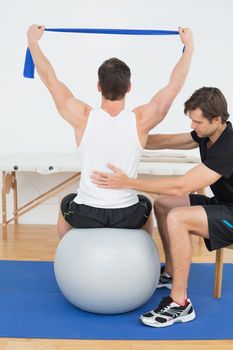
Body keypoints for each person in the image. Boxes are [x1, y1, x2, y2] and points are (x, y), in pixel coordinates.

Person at [27, 25, 193, 239]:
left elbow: (51, 80)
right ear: (129, 87)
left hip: (87, 213)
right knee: (145, 204)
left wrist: (33, 42)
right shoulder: (141, 120)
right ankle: (146, 257)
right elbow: (174, 85)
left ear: (98, 86)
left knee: (65, 203)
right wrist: (189, 46)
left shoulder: (82, 117)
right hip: (127, 214)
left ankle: (64, 256)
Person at [91, 86, 233, 327]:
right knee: (165, 205)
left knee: (178, 217)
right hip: (223, 204)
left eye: (197, 122)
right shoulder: (208, 133)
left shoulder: (228, 146)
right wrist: (132, 134)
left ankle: (180, 302)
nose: (193, 127)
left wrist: (128, 183)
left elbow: (182, 186)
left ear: (217, 119)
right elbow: (167, 141)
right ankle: (170, 273)